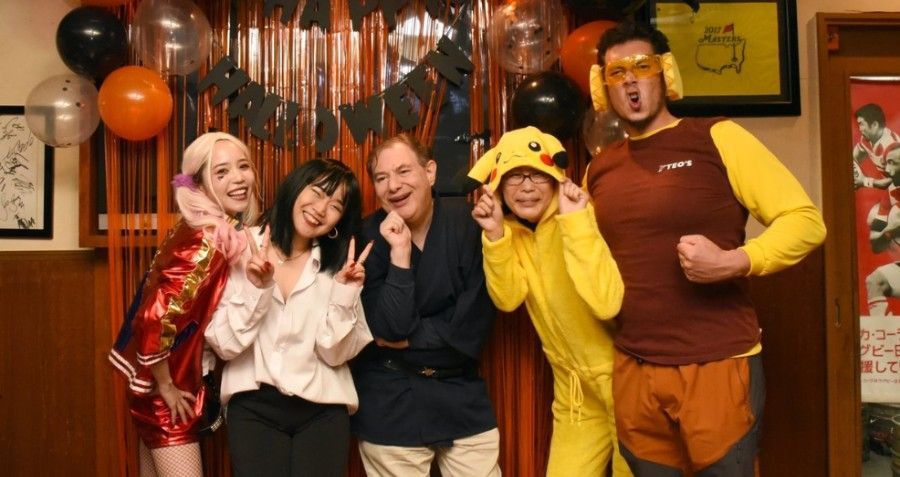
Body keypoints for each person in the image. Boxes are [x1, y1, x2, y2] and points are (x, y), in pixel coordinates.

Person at [584, 21, 827, 476]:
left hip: (717, 364)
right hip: (634, 367)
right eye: (617, 73)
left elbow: (806, 222)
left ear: (666, 74)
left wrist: (734, 261)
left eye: (642, 66)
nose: (631, 80)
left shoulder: (717, 138)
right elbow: (585, 257)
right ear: (603, 87)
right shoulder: (600, 168)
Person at [468, 126, 630, 476]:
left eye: (537, 175)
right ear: (497, 188)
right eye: (514, 178)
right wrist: (495, 235)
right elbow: (508, 299)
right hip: (575, 394)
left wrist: (576, 222)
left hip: (625, 385)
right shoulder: (513, 233)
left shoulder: (584, 214)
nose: (526, 187)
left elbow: (606, 303)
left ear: (556, 177)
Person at [204, 159, 374, 477]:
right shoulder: (242, 246)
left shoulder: (341, 267)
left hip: (323, 410)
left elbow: (334, 353)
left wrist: (345, 295)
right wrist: (258, 289)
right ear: (296, 186)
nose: (321, 208)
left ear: (340, 219)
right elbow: (224, 346)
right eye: (317, 192)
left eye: (335, 205)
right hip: (253, 406)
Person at [109, 132, 262, 477]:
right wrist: (164, 385)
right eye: (221, 173)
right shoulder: (205, 242)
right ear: (200, 185)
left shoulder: (200, 226)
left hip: (156, 381)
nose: (238, 179)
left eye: (243, 167)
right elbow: (153, 317)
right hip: (165, 388)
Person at [350, 133, 501, 477]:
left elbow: (475, 320)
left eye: (404, 172)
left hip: (460, 394)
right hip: (391, 399)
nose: (394, 186)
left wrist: (412, 340)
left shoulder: (466, 223)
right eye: (382, 178)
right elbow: (389, 329)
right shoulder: (368, 237)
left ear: (430, 172)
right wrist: (399, 253)